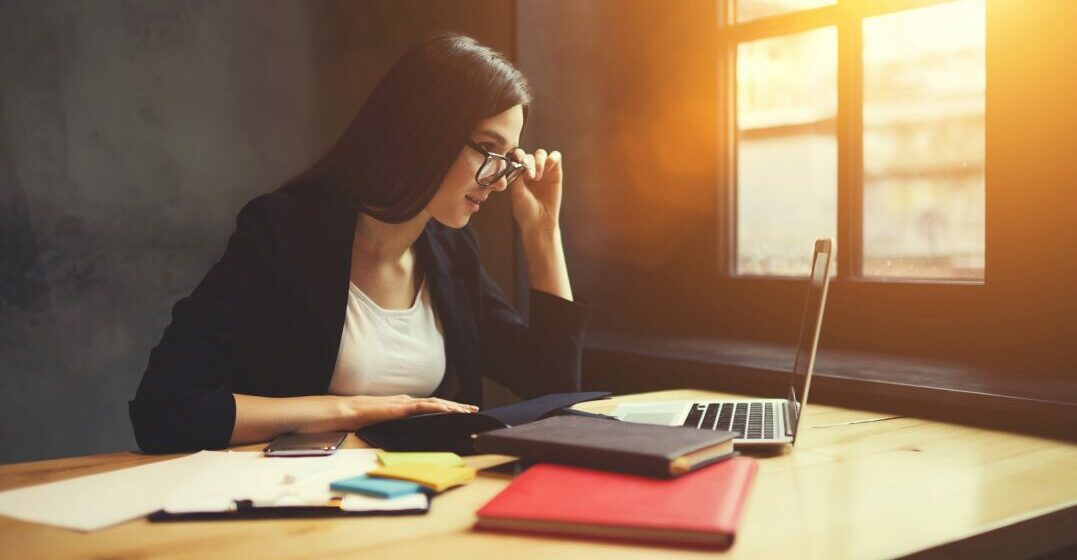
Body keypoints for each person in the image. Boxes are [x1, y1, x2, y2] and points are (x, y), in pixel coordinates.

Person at [129, 33, 591, 453]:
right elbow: (164, 409)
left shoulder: (450, 252)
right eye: (488, 151)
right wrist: (355, 411)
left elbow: (554, 389)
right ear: (424, 132)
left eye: (507, 160)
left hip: (419, 498)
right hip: (294, 506)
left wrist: (542, 232)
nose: (498, 181)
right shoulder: (284, 231)